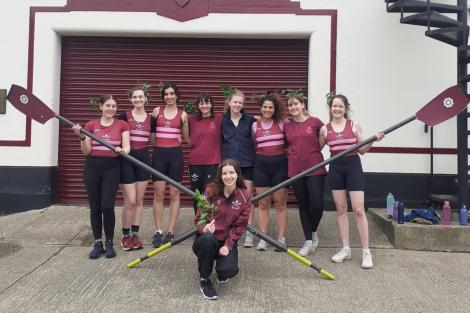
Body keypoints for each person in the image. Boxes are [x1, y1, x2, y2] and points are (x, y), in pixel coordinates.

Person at [319, 94, 384, 269]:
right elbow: (316, 149)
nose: (337, 109)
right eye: (334, 106)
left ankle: (366, 252)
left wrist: (373, 141)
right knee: (340, 209)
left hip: (353, 167)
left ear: (346, 108)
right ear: (330, 108)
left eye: (340, 106)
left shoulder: (354, 125)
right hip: (335, 169)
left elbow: (362, 150)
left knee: (358, 209)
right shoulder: (325, 129)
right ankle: (345, 249)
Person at [72, 95, 130, 259]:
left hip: (112, 168)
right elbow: (86, 151)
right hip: (92, 168)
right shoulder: (91, 125)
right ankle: (98, 242)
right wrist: (82, 136)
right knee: (95, 207)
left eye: (114, 106)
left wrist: (122, 150)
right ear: (100, 107)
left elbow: (127, 147)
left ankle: (109, 242)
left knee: (107, 206)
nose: (111, 109)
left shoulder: (122, 125)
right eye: (108, 105)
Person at [193, 159, 252, 300]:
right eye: (224, 173)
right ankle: (204, 279)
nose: (228, 176)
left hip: (226, 240)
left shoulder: (245, 196)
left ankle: (221, 270)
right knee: (207, 240)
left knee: (228, 270)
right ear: (220, 175)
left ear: (237, 174)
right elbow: (199, 219)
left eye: (231, 172)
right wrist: (204, 228)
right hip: (207, 239)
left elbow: (240, 226)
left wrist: (228, 244)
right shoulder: (210, 190)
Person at [284, 94, 326, 257]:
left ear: (303, 105)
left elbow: (324, 138)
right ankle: (309, 240)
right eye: (290, 105)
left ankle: (313, 231)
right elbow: (286, 146)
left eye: (296, 104)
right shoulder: (287, 126)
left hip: (315, 168)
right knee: (303, 205)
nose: (293, 107)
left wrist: (314, 152)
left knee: (317, 206)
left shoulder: (314, 122)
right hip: (296, 169)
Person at [151, 82, 190, 248]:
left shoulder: (183, 115)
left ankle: (171, 231)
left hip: (175, 156)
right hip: (159, 155)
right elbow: (152, 136)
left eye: (172, 93)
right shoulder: (156, 111)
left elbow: (187, 139)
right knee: (159, 194)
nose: (169, 96)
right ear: (163, 96)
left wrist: (181, 138)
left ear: (177, 95)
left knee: (174, 194)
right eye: (166, 94)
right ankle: (158, 231)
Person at [118, 86, 156, 251]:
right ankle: (125, 236)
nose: (138, 100)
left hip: (143, 161)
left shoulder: (151, 119)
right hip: (126, 160)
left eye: (141, 97)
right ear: (130, 99)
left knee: (139, 201)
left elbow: (154, 141)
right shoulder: (124, 116)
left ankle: (135, 235)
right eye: (135, 97)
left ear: (146, 98)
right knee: (130, 201)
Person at [251, 94, 288, 251]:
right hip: (261, 167)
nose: (267, 110)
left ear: (275, 109)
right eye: (264, 107)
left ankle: (281, 239)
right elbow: (255, 144)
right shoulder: (255, 126)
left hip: (280, 166)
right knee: (263, 203)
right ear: (260, 108)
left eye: (270, 107)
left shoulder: (281, 123)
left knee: (280, 204)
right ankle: (263, 238)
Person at [221, 89, 256, 248]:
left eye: (240, 103)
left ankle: (249, 232)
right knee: (228, 197)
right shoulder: (222, 120)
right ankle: (228, 229)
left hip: (247, 162)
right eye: (235, 102)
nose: (237, 105)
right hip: (229, 165)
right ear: (229, 102)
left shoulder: (250, 120)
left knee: (246, 197)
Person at [188, 92, 223, 213]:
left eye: (207, 102)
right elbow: (186, 137)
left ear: (211, 104)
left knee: (209, 193)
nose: (204, 106)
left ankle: (209, 224)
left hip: (213, 162)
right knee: (197, 194)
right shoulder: (191, 120)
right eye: (201, 103)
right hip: (195, 162)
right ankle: (198, 224)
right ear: (197, 106)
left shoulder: (218, 118)